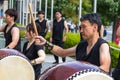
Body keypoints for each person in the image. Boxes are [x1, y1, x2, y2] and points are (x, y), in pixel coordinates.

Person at [35, 13, 111, 73]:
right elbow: (62, 52)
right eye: (80, 27)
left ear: (95, 27)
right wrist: (45, 43)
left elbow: (105, 68)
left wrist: (84, 75)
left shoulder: (103, 46)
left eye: (84, 27)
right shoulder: (82, 45)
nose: (81, 31)